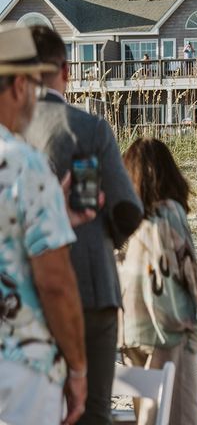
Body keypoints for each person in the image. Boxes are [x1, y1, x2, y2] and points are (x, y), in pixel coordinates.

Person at [24, 25, 144, 425]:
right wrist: (100, 233)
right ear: (66, 70)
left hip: (22, 295)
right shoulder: (89, 128)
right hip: (90, 289)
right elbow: (128, 209)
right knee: (92, 412)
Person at [0, 23, 88, 424]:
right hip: (21, 364)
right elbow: (55, 282)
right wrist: (78, 368)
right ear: (19, 86)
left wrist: (59, 217)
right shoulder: (24, 166)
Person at [118, 137, 197, 425]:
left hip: (132, 329)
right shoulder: (170, 211)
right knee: (177, 414)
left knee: (148, 415)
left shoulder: (129, 218)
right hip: (170, 328)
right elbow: (187, 268)